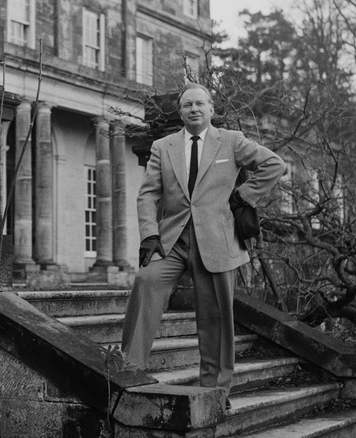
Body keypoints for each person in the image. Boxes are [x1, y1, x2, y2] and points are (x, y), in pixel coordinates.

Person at [121, 83, 286, 409]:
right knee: (146, 281)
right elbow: (148, 194)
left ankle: (215, 392)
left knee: (216, 319)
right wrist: (149, 234)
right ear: (180, 112)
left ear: (211, 109)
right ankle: (129, 372)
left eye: (200, 104)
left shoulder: (231, 141)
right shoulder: (162, 146)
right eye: (187, 105)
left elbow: (274, 165)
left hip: (217, 242)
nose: (194, 109)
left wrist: (243, 196)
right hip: (172, 242)